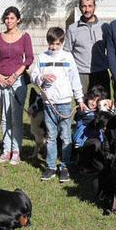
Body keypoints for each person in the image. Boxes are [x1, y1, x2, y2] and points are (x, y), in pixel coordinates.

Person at [29, 27, 86, 183]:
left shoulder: (68, 57)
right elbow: (34, 76)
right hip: (49, 103)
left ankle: (65, 166)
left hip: (65, 103)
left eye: (57, 44)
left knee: (66, 136)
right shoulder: (42, 57)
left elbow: (75, 79)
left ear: (62, 42)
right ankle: (51, 166)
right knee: (51, 136)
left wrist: (79, 99)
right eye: (51, 44)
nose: (53, 47)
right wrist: (42, 77)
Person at [0, 6, 34, 165]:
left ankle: (16, 150)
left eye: (12, 18)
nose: (8, 21)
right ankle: (6, 149)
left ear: (18, 19)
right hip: (0, 81)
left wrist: (15, 76)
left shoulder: (25, 37)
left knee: (16, 117)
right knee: (4, 117)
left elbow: (28, 59)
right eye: (6, 18)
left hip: (17, 82)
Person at [64, 0, 111, 92]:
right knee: (83, 105)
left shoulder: (105, 27)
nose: (87, 9)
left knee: (104, 105)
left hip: (101, 72)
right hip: (81, 74)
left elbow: (111, 50)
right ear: (80, 7)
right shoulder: (72, 29)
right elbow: (67, 53)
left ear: (95, 7)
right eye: (84, 6)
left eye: (90, 6)